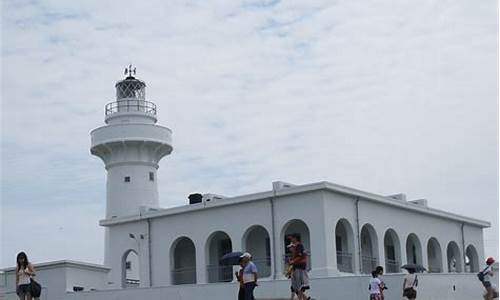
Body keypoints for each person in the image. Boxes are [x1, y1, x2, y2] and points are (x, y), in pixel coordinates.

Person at [289, 234, 311, 300]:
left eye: (292, 238)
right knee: (296, 286)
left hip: (300, 267)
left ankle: (301, 298)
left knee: (300, 286)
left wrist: (293, 261)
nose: (291, 240)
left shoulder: (299, 246)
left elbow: (300, 256)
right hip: (296, 268)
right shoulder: (296, 248)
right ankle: (304, 298)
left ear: (295, 238)